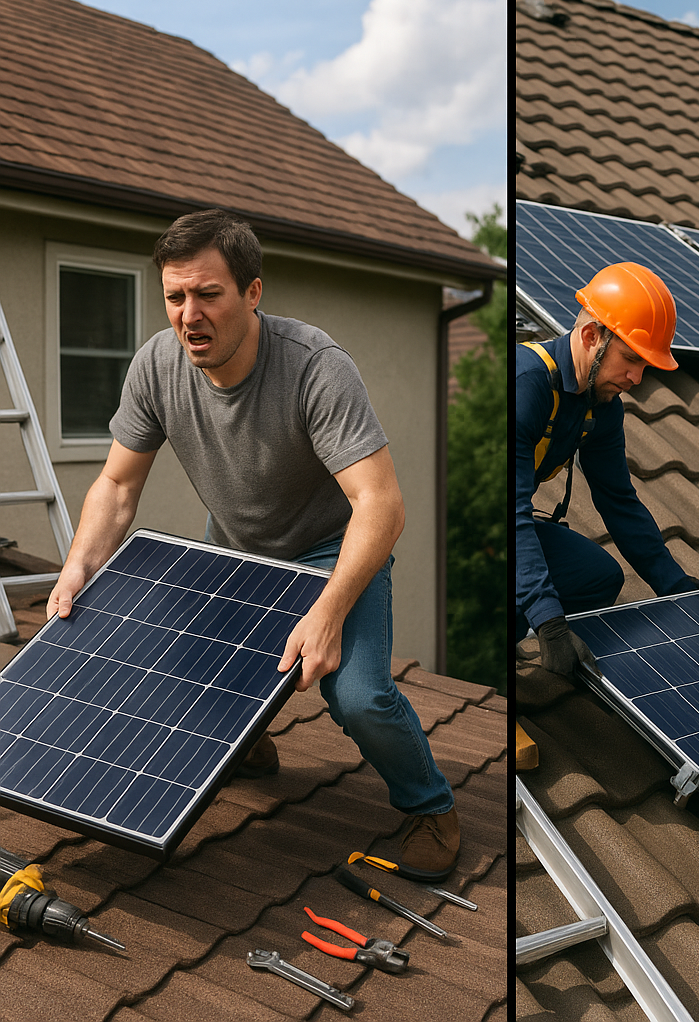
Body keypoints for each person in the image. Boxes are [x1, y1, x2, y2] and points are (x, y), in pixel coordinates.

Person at [47, 209, 460, 880]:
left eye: (208, 294)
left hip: (332, 549)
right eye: (175, 297)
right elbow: (117, 486)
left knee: (358, 696)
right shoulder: (157, 366)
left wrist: (326, 613)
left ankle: (431, 807)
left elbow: (381, 506)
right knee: (177, 654)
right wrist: (76, 568)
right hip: (236, 547)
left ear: (252, 292)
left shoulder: (315, 367)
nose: (189, 315)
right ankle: (250, 741)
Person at [516, 261, 699, 678]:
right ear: (591, 336)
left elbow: (618, 500)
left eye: (645, 365)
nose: (636, 378)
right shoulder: (525, 384)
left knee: (598, 576)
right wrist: (549, 622)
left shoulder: (600, 406)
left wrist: (673, 585)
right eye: (630, 359)